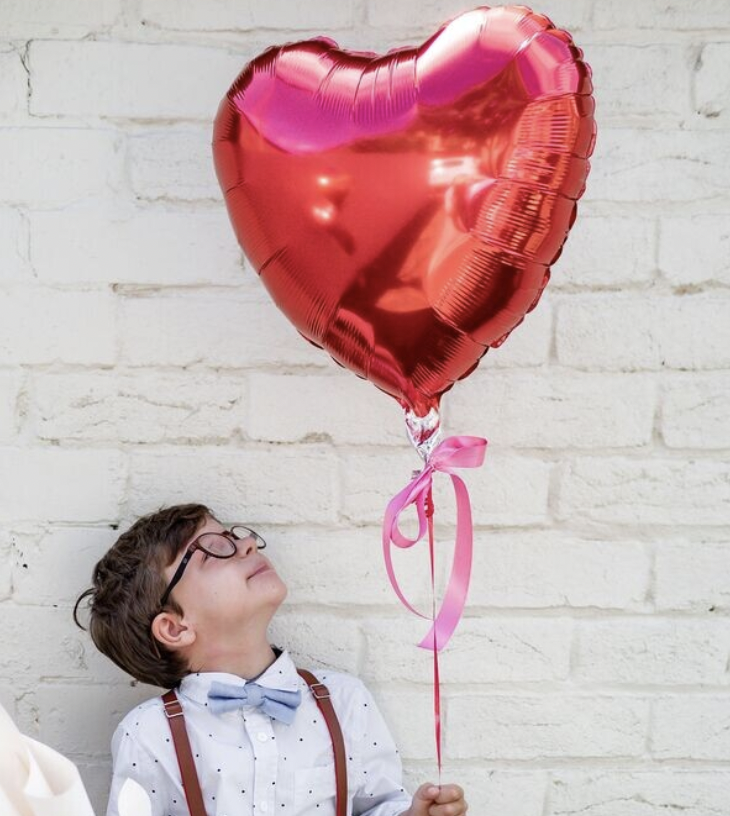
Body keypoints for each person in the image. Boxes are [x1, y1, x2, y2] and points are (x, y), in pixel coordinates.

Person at [74, 503, 468, 816]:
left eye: (232, 537)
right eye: (212, 552)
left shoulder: (344, 699)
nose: (246, 545)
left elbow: (378, 806)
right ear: (176, 628)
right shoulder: (146, 733)